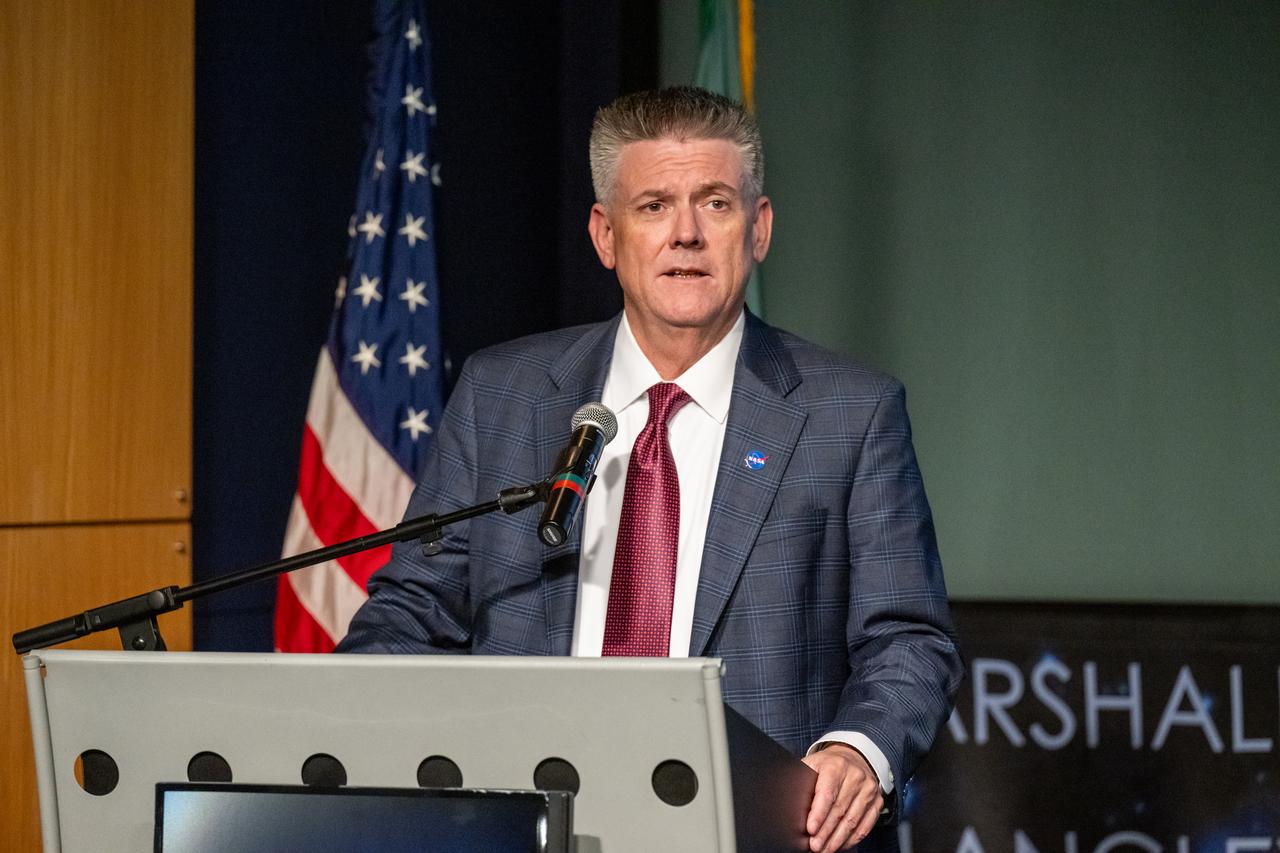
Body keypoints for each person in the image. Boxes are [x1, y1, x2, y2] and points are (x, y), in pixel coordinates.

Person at [339, 86, 962, 853]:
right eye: (654, 206)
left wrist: (857, 749)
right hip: (522, 825)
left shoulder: (851, 412)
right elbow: (410, 613)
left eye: (716, 204)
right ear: (606, 234)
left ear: (759, 229)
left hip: (754, 831)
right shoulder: (502, 395)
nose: (687, 236)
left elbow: (910, 639)